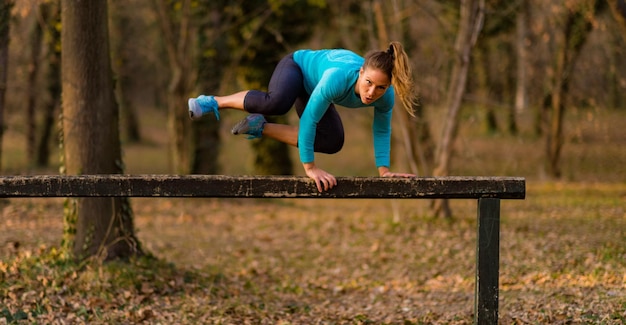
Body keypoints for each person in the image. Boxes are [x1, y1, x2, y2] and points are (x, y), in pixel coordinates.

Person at [188, 41, 418, 192]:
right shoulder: (337, 80)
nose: (372, 92)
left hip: (314, 88)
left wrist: (384, 171)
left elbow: (381, 130)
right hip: (297, 67)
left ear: (388, 86)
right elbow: (309, 120)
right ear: (360, 73)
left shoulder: (386, 97)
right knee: (276, 103)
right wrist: (310, 168)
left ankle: (260, 127)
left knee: (332, 141)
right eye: (368, 83)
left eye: (380, 87)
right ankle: (214, 101)